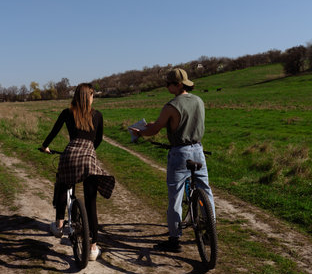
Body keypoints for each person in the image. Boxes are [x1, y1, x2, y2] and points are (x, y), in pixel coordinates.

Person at [130, 68, 215, 252]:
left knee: (175, 196)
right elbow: (177, 122)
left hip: (180, 153)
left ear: (176, 85)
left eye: (168, 84)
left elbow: (156, 129)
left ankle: (174, 239)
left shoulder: (171, 106)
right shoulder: (199, 101)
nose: (166, 87)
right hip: (198, 150)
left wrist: (141, 133)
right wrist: (157, 124)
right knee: (205, 190)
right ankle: (210, 231)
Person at [41, 83, 115, 261]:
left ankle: (59, 226)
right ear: (89, 97)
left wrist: (45, 146)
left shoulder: (67, 113)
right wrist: (89, 151)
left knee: (63, 184)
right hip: (88, 156)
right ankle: (92, 247)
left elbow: (53, 132)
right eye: (93, 95)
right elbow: (98, 140)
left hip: (69, 155)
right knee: (91, 202)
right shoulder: (97, 115)